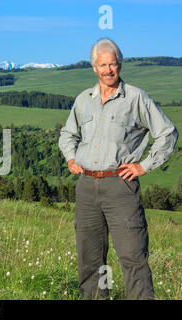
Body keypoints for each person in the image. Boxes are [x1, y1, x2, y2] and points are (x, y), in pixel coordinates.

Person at [58, 38, 178, 300]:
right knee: (89, 260)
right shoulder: (83, 101)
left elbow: (168, 133)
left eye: (113, 64)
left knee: (132, 257)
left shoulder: (136, 98)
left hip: (120, 186)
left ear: (120, 65)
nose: (108, 70)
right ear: (94, 68)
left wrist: (144, 166)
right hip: (87, 187)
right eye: (103, 65)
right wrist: (70, 158)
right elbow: (67, 134)